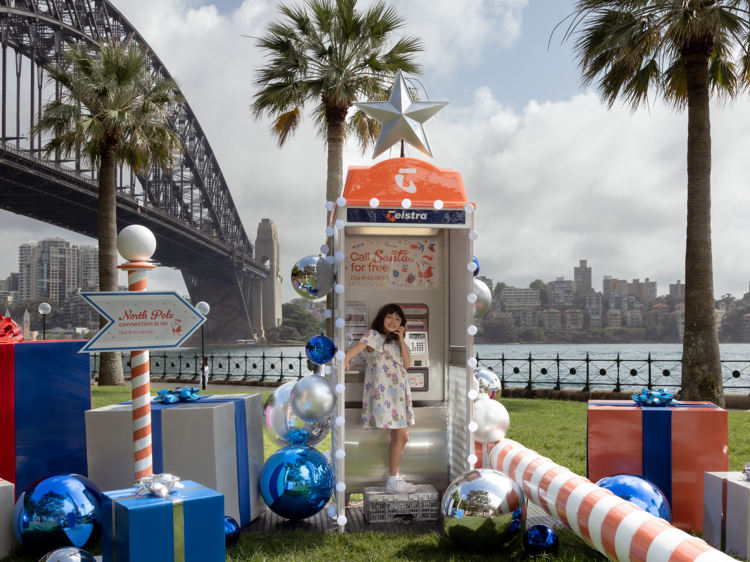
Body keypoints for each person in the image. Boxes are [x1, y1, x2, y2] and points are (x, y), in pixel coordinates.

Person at [344, 303, 416, 494]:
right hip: (384, 393)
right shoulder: (373, 335)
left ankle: (393, 479)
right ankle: (393, 480)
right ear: (382, 318)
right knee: (402, 436)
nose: (393, 321)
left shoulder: (397, 342)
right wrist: (345, 358)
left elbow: (407, 365)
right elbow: (359, 347)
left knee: (400, 436)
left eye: (398, 319)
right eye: (390, 317)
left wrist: (401, 340)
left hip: (399, 393)